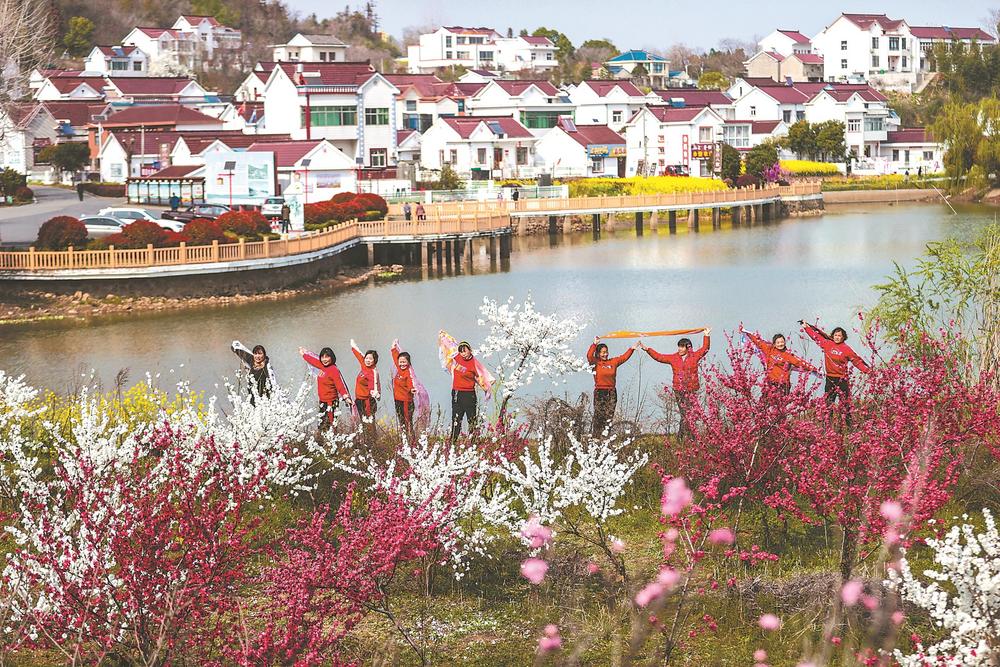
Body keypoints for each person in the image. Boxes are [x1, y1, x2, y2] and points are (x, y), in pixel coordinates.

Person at [642, 329, 711, 439]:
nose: (679, 349)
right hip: (679, 390)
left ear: (688, 348)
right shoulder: (674, 358)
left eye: (682, 347)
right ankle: (685, 438)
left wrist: (706, 335)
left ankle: (686, 437)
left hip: (691, 389)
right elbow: (659, 357)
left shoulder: (695, 356)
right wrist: (648, 350)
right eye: (679, 346)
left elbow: (705, 348)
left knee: (690, 414)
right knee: (685, 414)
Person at [801, 321, 871, 405]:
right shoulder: (827, 344)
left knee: (845, 403)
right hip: (830, 378)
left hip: (842, 379)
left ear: (843, 337)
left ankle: (846, 414)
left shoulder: (847, 349)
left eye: (839, 336)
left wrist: (868, 371)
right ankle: (829, 413)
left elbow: (857, 362)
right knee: (828, 403)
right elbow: (816, 337)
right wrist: (806, 327)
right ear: (833, 336)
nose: (837, 337)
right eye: (835, 335)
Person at [586, 337, 639, 436]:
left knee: (609, 416)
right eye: (603, 352)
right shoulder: (595, 363)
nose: (605, 354)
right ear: (598, 353)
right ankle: (596, 436)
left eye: (606, 352)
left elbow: (623, 358)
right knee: (599, 415)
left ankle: (606, 436)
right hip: (600, 391)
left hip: (611, 392)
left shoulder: (613, 362)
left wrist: (632, 349)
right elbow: (589, 356)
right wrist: (594, 344)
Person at [741, 327, 817, 393]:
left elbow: (800, 363)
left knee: (780, 404)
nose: (780, 344)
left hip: (783, 384)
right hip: (770, 382)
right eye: (778, 342)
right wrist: (746, 332)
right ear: (774, 344)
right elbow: (758, 342)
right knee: (765, 402)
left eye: (782, 342)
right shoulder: (769, 350)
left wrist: (814, 369)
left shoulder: (788, 355)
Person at [299, 346, 352, 427]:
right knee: (322, 425)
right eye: (322, 357)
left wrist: (346, 397)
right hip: (323, 401)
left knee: (330, 426)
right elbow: (313, 360)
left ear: (332, 357)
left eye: (327, 357)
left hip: (331, 402)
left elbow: (340, 385)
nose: (324, 359)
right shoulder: (323, 366)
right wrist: (304, 354)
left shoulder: (333, 369)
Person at [450, 341, 480, 443]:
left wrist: (488, 384)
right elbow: (448, 345)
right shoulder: (456, 358)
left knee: (471, 419)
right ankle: (452, 442)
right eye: (461, 352)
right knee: (456, 418)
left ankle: (473, 442)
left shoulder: (474, 363)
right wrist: (442, 335)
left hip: (469, 394)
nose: (463, 354)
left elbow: (482, 376)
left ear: (470, 350)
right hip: (457, 392)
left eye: (465, 351)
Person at [391, 339, 418, 438]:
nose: (402, 364)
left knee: (407, 422)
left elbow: (411, 383)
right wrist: (393, 347)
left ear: (408, 362)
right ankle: (404, 440)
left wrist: (411, 389)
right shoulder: (399, 369)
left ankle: (411, 441)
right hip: (398, 400)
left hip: (406, 401)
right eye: (400, 362)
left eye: (404, 362)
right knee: (401, 421)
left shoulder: (408, 372)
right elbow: (395, 357)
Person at [350, 340, 381, 421]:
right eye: (366, 358)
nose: (367, 360)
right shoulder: (364, 366)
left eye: (370, 359)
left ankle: (371, 431)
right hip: (359, 400)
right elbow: (359, 356)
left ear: (375, 360)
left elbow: (374, 384)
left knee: (368, 423)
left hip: (367, 402)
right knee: (361, 423)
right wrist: (353, 346)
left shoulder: (372, 372)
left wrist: (375, 393)